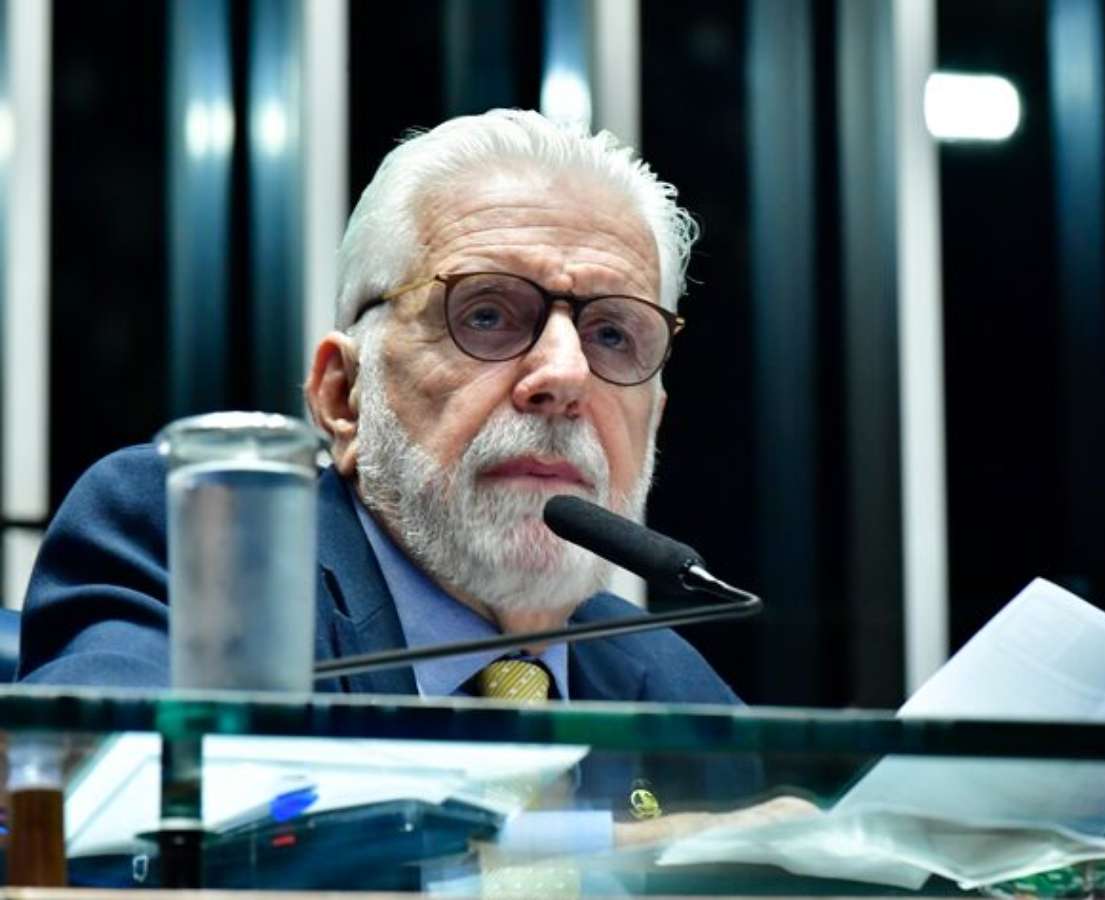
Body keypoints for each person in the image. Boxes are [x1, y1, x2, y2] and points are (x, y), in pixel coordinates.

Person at [17, 110, 810, 851]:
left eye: (612, 334)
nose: (566, 376)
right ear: (343, 397)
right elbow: (110, 824)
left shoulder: (669, 684)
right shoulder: (211, 548)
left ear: (654, 419)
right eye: (487, 314)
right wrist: (601, 849)